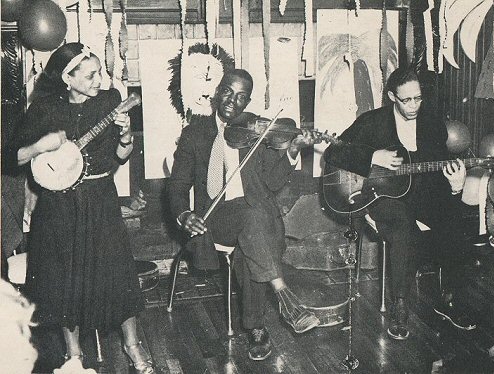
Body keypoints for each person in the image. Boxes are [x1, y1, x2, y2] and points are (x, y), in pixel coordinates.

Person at [11, 43, 153, 373]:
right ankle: (74, 356)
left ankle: (133, 346)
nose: (99, 79)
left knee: (117, 277)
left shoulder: (109, 100)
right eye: (89, 75)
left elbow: (119, 158)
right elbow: (12, 156)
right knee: (64, 282)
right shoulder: (44, 109)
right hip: (57, 207)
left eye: (100, 72)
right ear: (67, 79)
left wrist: (126, 137)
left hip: (99, 200)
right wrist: (40, 146)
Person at [168, 67, 321, 361]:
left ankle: (256, 328)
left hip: (254, 220)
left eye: (241, 97)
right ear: (217, 91)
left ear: (247, 103)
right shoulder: (195, 134)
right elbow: (177, 186)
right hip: (214, 220)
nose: (231, 101)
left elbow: (273, 183)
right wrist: (184, 214)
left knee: (251, 232)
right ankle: (284, 299)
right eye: (228, 91)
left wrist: (293, 152)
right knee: (253, 220)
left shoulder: (256, 132)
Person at [323, 67, 467, 340]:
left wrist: (455, 186)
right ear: (392, 97)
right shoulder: (373, 122)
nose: (413, 106)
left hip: (422, 194)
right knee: (403, 227)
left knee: (454, 219)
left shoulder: (433, 124)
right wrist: (372, 157)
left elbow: (437, 172)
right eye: (406, 100)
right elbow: (334, 151)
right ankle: (399, 305)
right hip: (383, 197)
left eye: (418, 98)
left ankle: (449, 298)